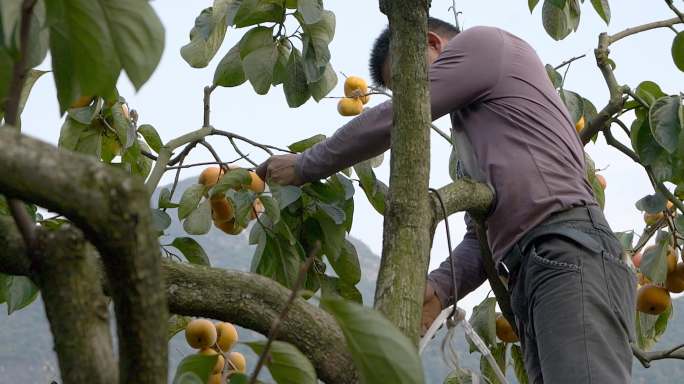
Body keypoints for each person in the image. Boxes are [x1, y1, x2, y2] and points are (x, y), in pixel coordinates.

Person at [256, 17, 636, 383]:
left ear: (432, 43)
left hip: (568, 249)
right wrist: (439, 288)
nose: (411, 97)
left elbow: (393, 118)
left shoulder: (485, 43)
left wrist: (306, 165)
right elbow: (483, 235)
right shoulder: (478, 133)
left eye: (407, 82)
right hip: (535, 271)